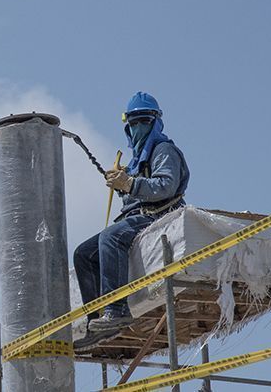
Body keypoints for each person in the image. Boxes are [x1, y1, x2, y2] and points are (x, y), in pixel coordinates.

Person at [73, 91, 190, 351]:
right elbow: (134, 191)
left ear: (155, 122)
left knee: (111, 237)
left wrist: (130, 183)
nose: (138, 127)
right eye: (134, 122)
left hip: (159, 214)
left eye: (144, 121)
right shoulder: (138, 159)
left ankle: (117, 310)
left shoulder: (163, 150)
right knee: (83, 254)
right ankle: (97, 321)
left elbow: (166, 186)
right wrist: (124, 183)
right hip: (138, 215)